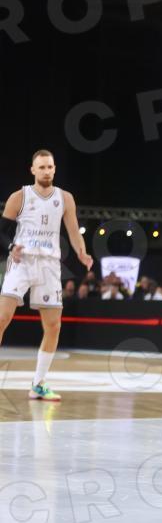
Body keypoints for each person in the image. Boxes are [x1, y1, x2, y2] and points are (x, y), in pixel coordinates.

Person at [0, 149, 93, 401]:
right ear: (33, 170)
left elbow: (73, 231)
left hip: (50, 265)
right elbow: (2, 232)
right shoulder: (19, 196)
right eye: (41, 167)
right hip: (22, 261)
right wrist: (11, 246)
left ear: (55, 169)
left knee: (53, 326)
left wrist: (82, 252)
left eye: (50, 167)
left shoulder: (65, 198)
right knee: (2, 317)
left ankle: (38, 384)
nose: (46, 171)